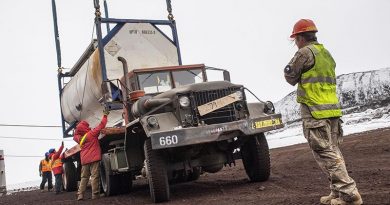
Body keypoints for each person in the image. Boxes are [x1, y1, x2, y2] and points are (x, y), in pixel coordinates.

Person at [284, 19, 362, 205]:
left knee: (324, 152)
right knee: (333, 151)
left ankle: (350, 194)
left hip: (315, 110)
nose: (295, 42)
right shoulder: (326, 53)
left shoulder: (304, 52)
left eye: (295, 39)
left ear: (301, 37)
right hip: (332, 110)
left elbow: (290, 77)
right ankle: (337, 192)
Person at [73, 110, 109, 200]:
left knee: (84, 177)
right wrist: (105, 115)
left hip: (84, 160)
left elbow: (75, 134)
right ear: (85, 127)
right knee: (94, 176)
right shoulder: (92, 134)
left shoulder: (78, 138)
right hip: (93, 159)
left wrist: (77, 128)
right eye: (87, 126)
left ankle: (80, 194)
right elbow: (101, 125)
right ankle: (95, 195)